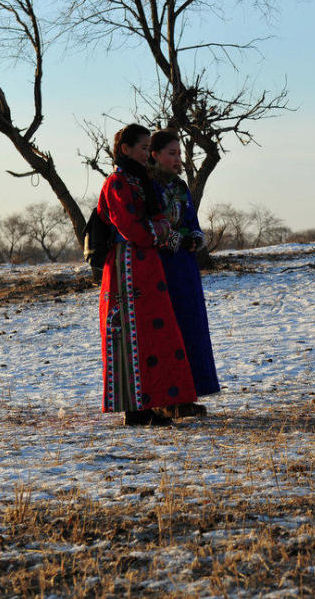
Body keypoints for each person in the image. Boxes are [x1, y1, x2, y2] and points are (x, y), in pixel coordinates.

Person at [97, 123, 198, 426]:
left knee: (152, 333)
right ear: (125, 149)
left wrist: (164, 230)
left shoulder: (139, 180)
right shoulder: (116, 182)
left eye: (146, 148)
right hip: (124, 266)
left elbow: (155, 218)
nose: (145, 152)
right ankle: (134, 407)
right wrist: (159, 231)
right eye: (142, 147)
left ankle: (152, 403)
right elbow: (127, 225)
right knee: (129, 332)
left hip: (147, 265)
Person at [147, 129, 221, 413]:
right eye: (171, 153)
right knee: (167, 330)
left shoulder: (179, 187)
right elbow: (149, 226)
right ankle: (166, 398)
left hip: (185, 267)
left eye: (180, 154)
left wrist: (194, 238)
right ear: (154, 155)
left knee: (190, 327)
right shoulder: (147, 186)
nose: (178, 159)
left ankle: (187, 395)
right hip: (160, 267)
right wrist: (176, 240)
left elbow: (191, 220)